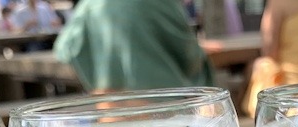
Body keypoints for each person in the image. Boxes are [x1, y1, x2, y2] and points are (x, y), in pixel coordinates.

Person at [53, 0, 214, 92]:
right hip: (167, 111)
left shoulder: (90, 3)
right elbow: (190, 58)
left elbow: (64, 49)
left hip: (110, 113)